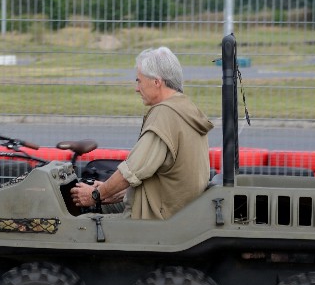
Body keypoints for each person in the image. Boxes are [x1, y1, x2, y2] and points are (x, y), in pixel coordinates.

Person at [71, 47, 213, 220]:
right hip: (180, 212)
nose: (137, 88)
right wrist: (109, 191)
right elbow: (161, 177)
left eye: (139, 81)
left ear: (156, 82)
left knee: (80, 224)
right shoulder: (186, 109)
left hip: (155, 221)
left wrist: (95, 195)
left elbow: (131, 172)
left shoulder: (165, 115)